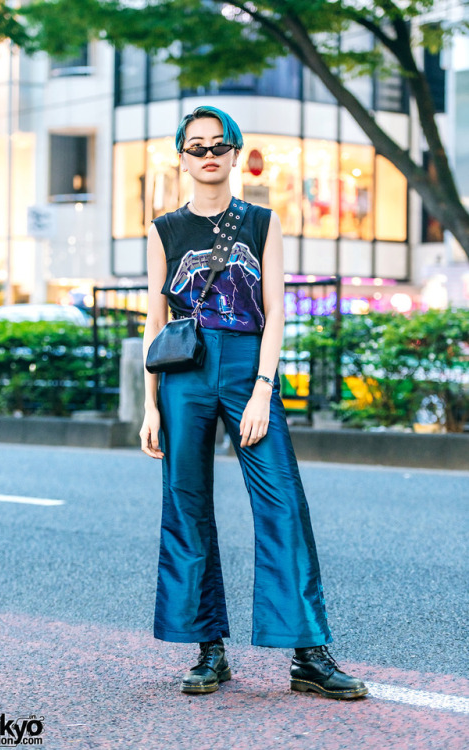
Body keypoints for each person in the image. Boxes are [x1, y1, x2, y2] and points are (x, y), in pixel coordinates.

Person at [139, 105, 368, 701]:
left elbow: (276, 310)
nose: (209, 154)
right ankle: (208, 650)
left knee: (283, 502)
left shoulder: (263, 222)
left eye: (220, 144)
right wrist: (150, 405)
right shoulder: (164, 230)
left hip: (247, 368)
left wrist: (265, 387)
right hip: (183, 372)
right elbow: (154, 319)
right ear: (182, 157)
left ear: (236, 153)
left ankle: (308, 653)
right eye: (197, 146)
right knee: (186, 504)